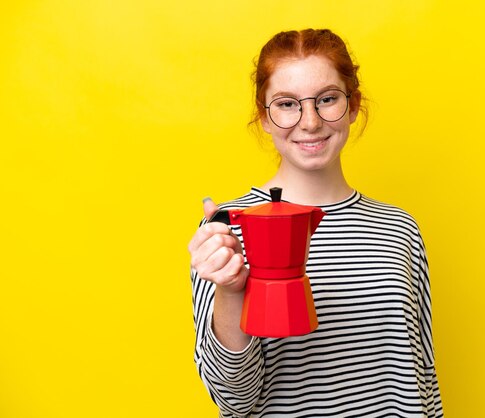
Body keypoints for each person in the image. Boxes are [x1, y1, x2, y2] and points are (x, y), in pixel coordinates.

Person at [188, 28, 444, 417]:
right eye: (287, 104)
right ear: (265, 117)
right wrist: (230, 289)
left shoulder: (400, 228)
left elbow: (422, 377)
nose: (310, 122)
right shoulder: (227, 229)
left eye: (327, 99)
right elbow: (234, 401)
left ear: (353, 105)